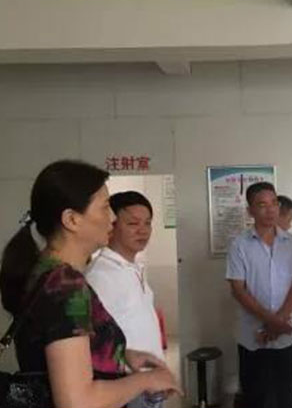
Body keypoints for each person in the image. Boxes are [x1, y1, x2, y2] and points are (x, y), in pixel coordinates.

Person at [0, 160, 180, 408]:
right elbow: (77, 402)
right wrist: (146, 380)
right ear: (72, 220)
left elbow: (65, 347)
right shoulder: (65, 286)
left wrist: (124, 355)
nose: (113, 218)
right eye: (105, 208)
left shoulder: (46, 271)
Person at [226, 182, 292, 408]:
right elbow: (238, 290)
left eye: (274, 203)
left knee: (287, 399)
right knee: (255, 399)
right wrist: (273, 322)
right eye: (262, 205)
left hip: (286, 338)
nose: (271, 209)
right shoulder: (239, 245)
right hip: (253, 339)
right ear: (250, 211)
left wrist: (277, 322)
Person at [87, 191, 165, 408]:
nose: (143, 230)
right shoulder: (99, 275)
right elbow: (93, 343)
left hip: (148, 382)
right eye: (133, 223)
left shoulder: (133, 267)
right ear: (111, 226)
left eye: (148, 223)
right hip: (126, 385)